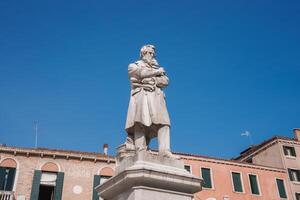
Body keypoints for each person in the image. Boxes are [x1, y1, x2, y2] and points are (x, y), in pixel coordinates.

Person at [125, 44, 174, 157]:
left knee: (165, 123)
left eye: (153, 53)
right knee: (140, 122)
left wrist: (151, 79)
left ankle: (164, 151)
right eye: (149, 53)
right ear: (143, 53)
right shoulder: (134, 65)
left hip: (157, 98)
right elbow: (139, 74)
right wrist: (156, 74)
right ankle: (140, 150)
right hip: (143, 97)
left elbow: (165, 81)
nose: (152, 55)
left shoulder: (157, 68)